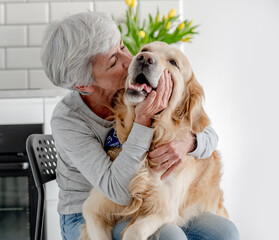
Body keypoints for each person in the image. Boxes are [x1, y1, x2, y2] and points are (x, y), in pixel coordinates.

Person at [41, 12, 239, 240]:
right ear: (84, 85)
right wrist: (142, 122)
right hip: (91, 213)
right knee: (169, 236)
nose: (129, 61)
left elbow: (205, 130)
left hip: (144, 199)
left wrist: (190, 142)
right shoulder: (68, 120)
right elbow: (117, 191)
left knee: (226, 232)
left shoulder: (132, 85)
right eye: (113, 62)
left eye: (123, 47)